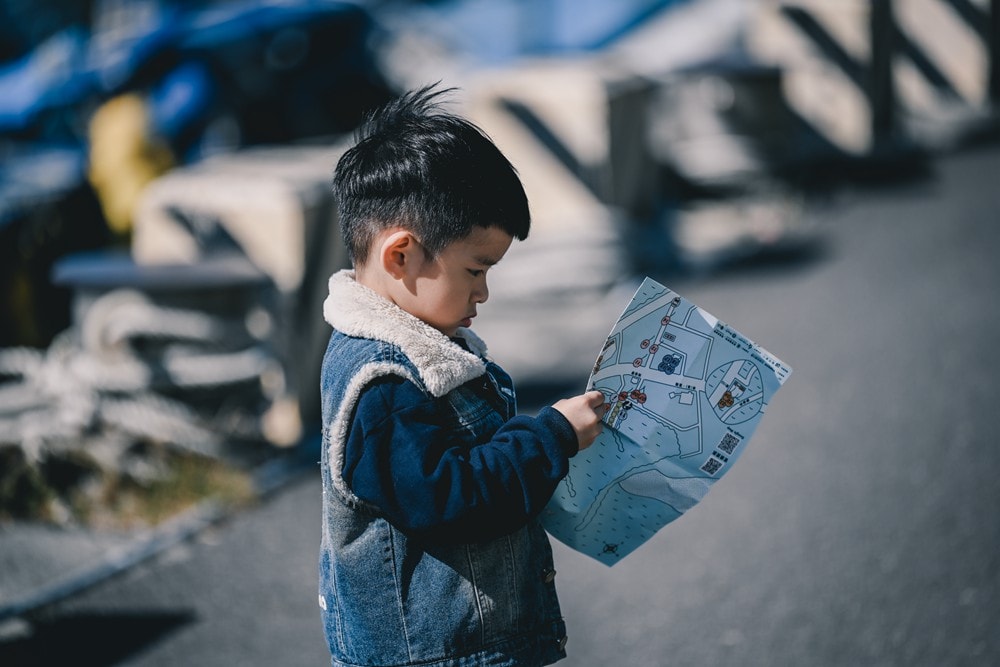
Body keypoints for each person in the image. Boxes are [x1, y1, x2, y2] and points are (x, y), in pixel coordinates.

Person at [318, 84, 608, 667]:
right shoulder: (381, 386)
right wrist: (549, 436)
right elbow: (454, 498)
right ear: (400, 256)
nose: (484, 292)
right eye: (476, 270)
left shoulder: (425, 349)